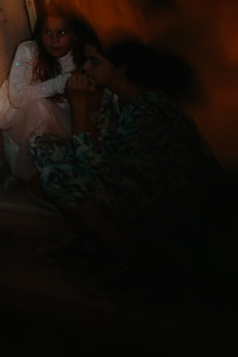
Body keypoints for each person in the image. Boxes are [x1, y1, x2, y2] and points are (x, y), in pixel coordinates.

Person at [29, 35, 222, 286]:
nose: (85, 68)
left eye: (94, 62)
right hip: (130, 178)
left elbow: (91, 161)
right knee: (41, 146)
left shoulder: (150, 107)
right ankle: (89, 238)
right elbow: (96, 148)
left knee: (57, 178)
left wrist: (79, 103)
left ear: (119, 70)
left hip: (171, 201)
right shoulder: (115, 97)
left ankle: (137, 262)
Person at [0, 3, 98, 190]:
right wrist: (60, 83)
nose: (53, 40)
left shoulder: (83, 60)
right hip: (22, 119)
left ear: (74, 35)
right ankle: (27, 178)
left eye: (62, 33)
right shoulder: (28, 51)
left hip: (62, 125)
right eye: (47, 32)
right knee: (39, 108)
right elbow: (17, 98)